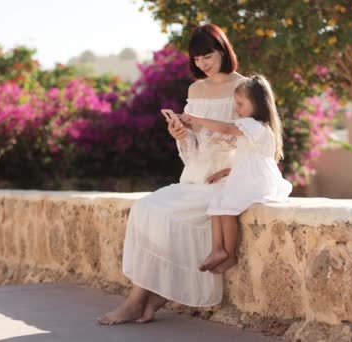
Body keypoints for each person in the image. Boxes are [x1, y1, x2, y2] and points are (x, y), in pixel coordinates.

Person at [96, 23, 247, 325]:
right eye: (197, 59)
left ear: (223, 49)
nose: (203, 63)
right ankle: (150, 297)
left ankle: (137, 302)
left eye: (208, 55)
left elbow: (255, 137)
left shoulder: (243, 87)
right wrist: (180, 133)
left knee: (165, 215)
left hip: (225, 179)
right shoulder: (195, 89)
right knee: (144, 208)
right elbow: (194, 144)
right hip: (194, 174)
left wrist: (234, 168)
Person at [182, 75, 292, 273]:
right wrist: (226, 171)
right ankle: (217, 250)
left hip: (259, 182)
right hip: (251, 177)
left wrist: (197, 119)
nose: (236, 109)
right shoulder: (253, 128)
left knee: (227, 206)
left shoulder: (253, 124)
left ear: (258, 104)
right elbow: (249, 159)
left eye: (240, 104)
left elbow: (225, 128)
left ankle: (230, 254)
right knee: (217, 202)